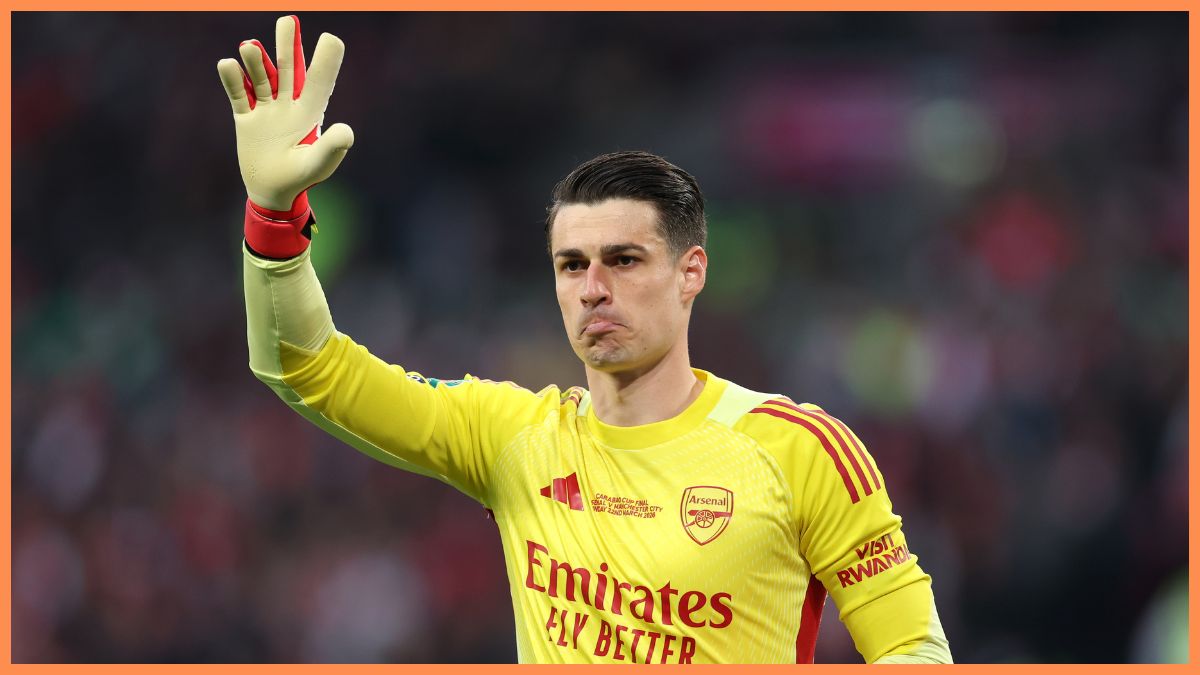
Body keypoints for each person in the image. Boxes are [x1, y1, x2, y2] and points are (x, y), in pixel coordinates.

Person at [219, 15, 953, 665]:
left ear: (691, 271)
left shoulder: (798, 452)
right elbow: (307, 368)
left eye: (623, 260)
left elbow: (912, 646)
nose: (592, 287)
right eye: (571, 265)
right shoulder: (514, 438)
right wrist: (273, 215)